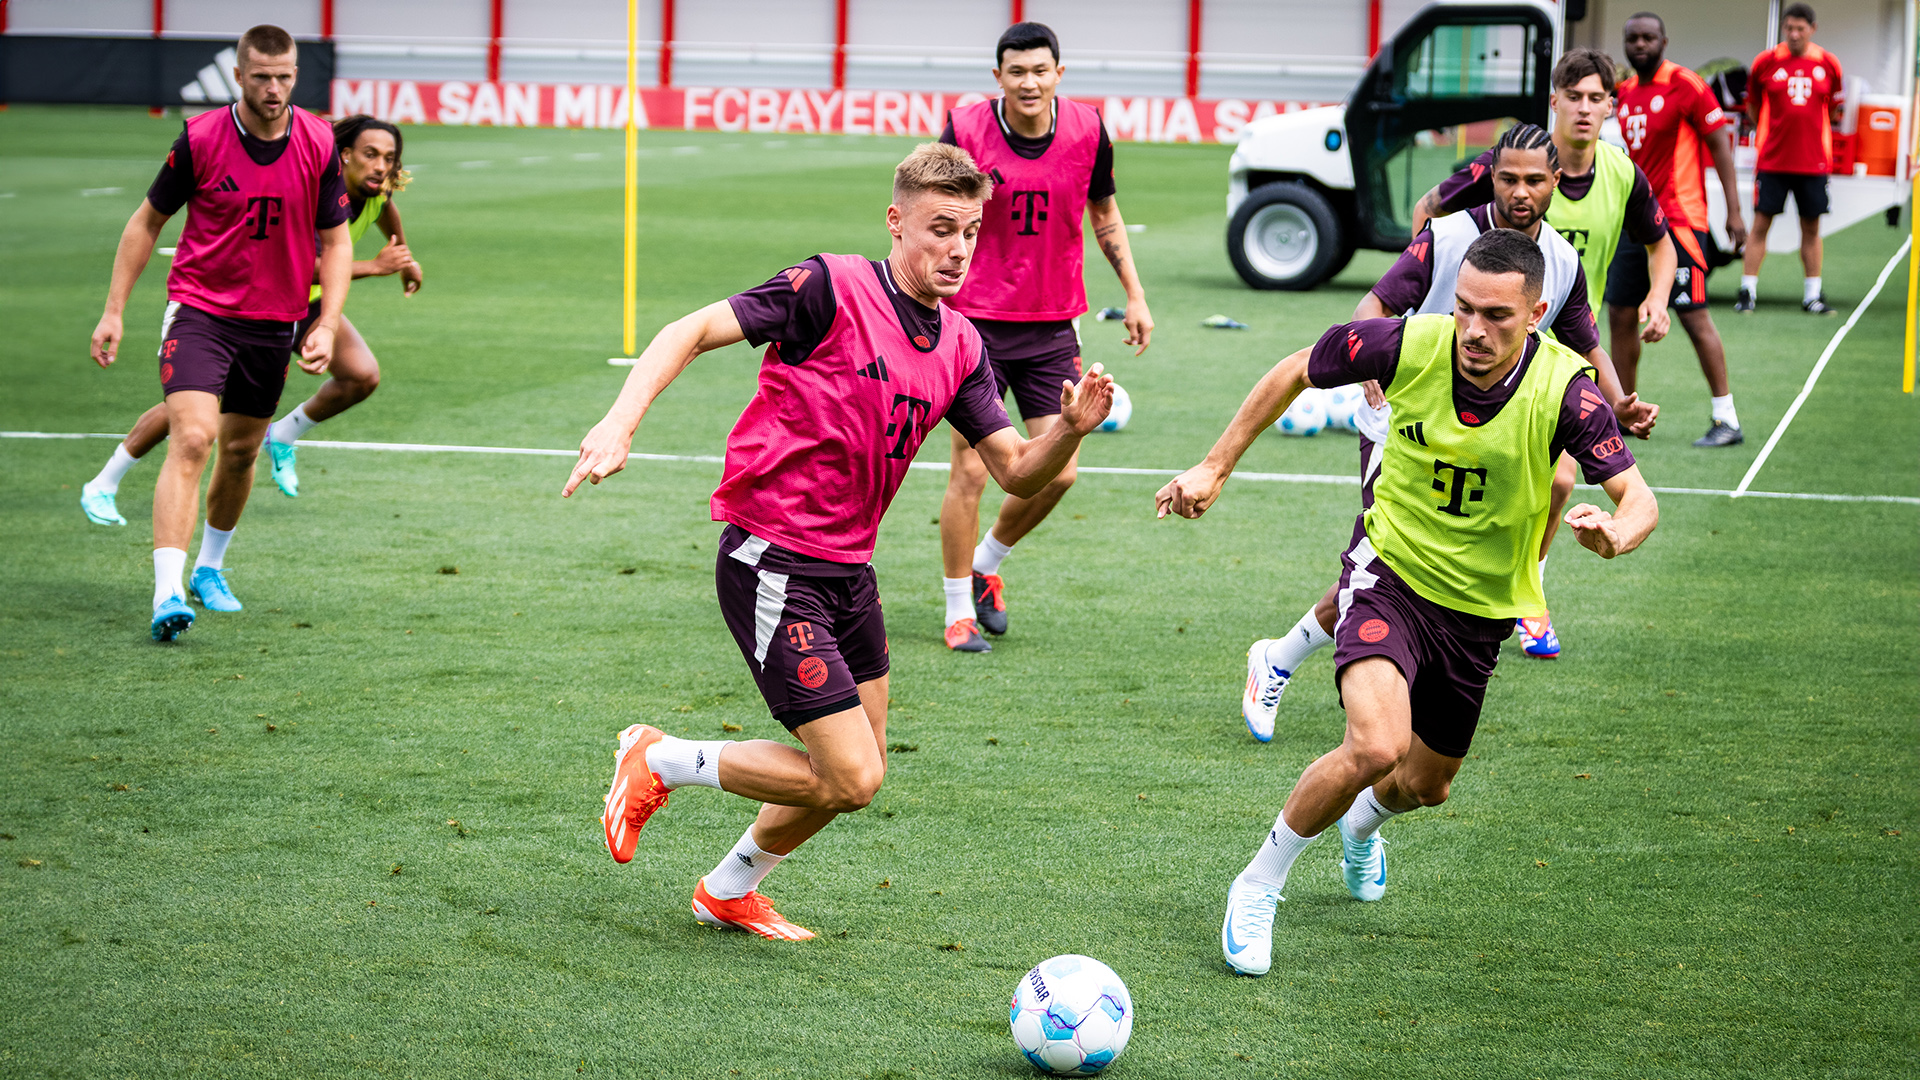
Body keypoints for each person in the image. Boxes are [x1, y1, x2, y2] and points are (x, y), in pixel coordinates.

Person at [566, 143, 1113, 941]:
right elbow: (689, 329)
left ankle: (727, 889)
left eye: (970, 230)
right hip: (772, 558)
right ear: (896, 223)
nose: (958, 249)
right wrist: (619, 422)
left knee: (857, 773)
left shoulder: (962, 344)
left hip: (851, 572)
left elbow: (1020, 475)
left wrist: (1067, 429)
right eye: (939, 228)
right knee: (849, 775)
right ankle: (657, 758)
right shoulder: (828, 286)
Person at [1156, 230, 1658, 977]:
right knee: (1376, 744)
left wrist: (1617, 533)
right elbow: (1298, 367)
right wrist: (1213, 466)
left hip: (1481, 615)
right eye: (1464, 310)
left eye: (1496, 316)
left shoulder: (1568, 390)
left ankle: (1362, 826)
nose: (1474, 332)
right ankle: (1258, 883)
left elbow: (1640, 497)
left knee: (1426, 784)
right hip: (1389, 575)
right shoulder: (1409, 344)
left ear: (1537, 312)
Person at [1240, 123, 1659, 740]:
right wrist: (1371, 380)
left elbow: (1583, 340)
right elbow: (1374, 307)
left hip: (1490, 428)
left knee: (1454, 551)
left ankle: (1302, 660)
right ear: (1490, 175)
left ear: (1557, 183)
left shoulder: (1557, 261)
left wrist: (1618, 400)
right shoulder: (1447, 236)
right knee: (1386, 563)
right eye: (1508, 177)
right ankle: (1298, 671)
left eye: (1534, 180)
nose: (1521, 191)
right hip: (1406, 426)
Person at [87, 25, 351, 641]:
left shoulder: (316, 140)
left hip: (276, 319)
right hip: (201, 311)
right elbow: (146, 221)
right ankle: (166, 593)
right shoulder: (201, 139)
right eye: (261, 76)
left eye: (285, 76)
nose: (275, 88)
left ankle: (210, 567)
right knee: (195, 438)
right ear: (238, 76)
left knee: (239, 451)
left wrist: (328, 322)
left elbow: (335, 241)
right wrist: (113, 310)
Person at [81, 114, 419, 525]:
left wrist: (404, 258)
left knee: (362, 376)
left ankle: (283, 435)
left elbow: (388, 212)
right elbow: (300, 265)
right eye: (371, 155)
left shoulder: (373, 191)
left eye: (389, 158)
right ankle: (105, 480)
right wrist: (374, 266)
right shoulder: (316, 196)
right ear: (344, 155)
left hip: (307, 305)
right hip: (268, 299)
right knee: (194, 409)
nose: (381, 167)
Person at [934, 21, 1152, 652]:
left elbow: (1104, 212)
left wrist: (1134, 294)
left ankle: (986, 565)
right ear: (997, 77)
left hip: (1053, 323)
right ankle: (957, 612)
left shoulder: (1088, 129)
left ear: (1059, 72)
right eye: (1016, 71)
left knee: (1057, 473)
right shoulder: (967, 130)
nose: (1028, 82)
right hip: (973, 324)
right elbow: (934, 209)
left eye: (1039, 70)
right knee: (971, 471)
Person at [1614, 12, 1750, 447]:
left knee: (1693, 316)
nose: (1640, 44)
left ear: (1664, 41)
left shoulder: (1687, 84)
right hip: (1635, 222)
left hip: (1680, 223)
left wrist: (1733, 210)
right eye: (1632, 38)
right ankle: (1624, 414)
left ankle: (1726, 418)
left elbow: (1719, 148)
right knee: (1618, 315)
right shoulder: (1625, 93)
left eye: (1648, 37)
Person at [1738, 3, 1845, 315]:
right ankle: (1747, 290)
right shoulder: (1766, 61)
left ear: (1813, 29)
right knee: (1760, 224)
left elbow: (1835, 108)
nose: (1795, 34)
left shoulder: (1828, 63)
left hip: (1814, 162)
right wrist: (1769, 134)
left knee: (1811, 228)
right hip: (1772, 161)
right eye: (1790, 29)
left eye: (1801, 29)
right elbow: (1753, 106)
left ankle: (1812, 295)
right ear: (1783, 29)